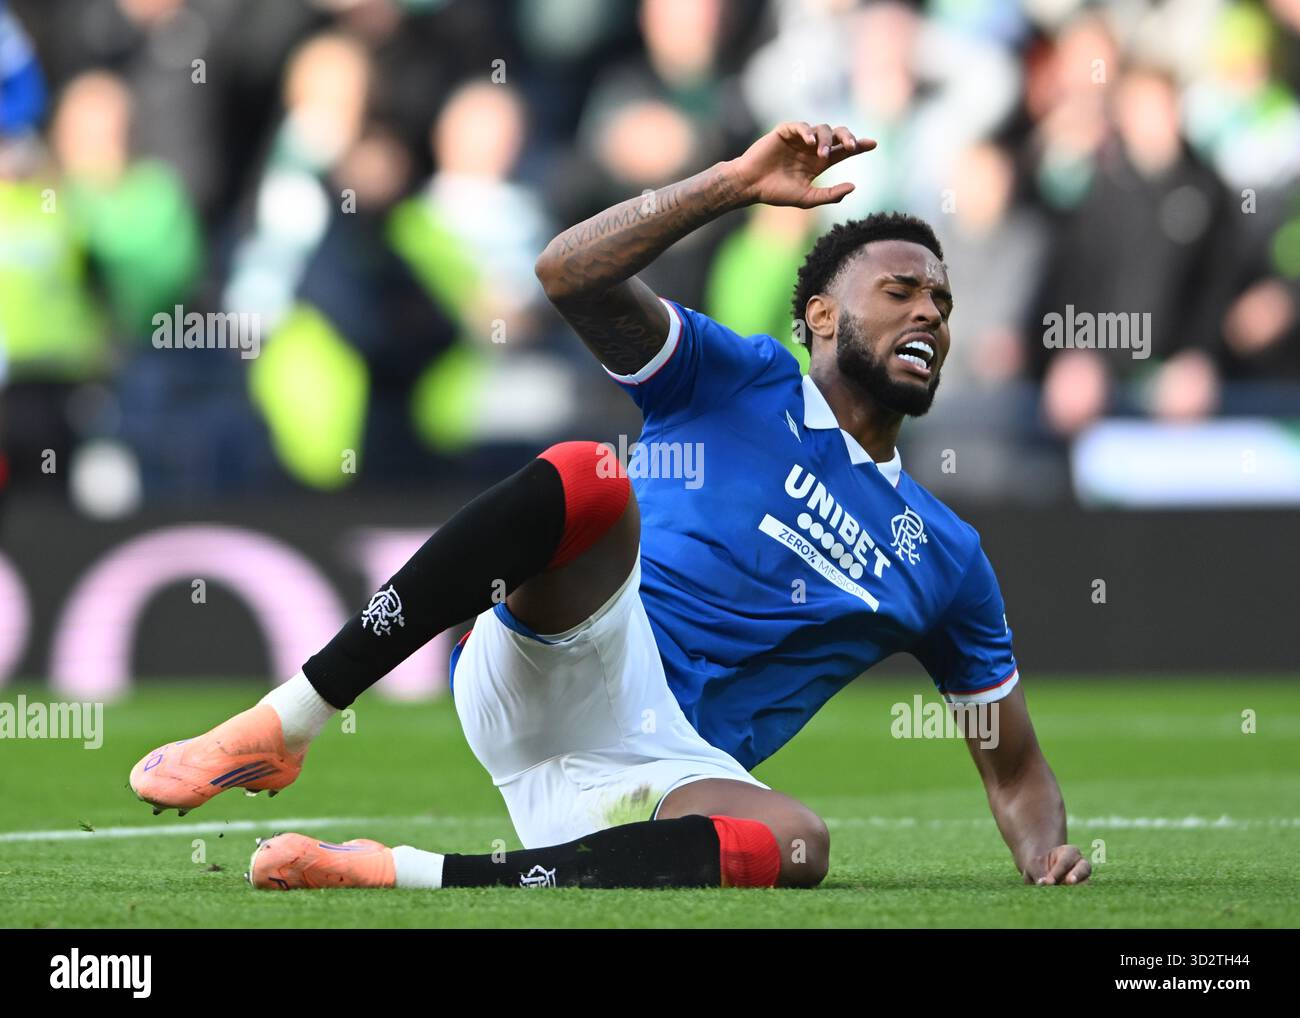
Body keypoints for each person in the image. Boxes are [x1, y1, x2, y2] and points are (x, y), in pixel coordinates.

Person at [130, 122, 1091, 892]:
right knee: (592, 472)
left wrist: (1043, 852)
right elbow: (568, 274)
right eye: (902, 290)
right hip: (571, 651)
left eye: (943, 301)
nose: (930, 311)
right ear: (825, 319)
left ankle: (400, 874)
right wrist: (727, 186)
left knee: (799, 845)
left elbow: (1012, 768)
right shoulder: (742, 379)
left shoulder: (947, 555)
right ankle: (287, 720)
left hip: (665, 767)